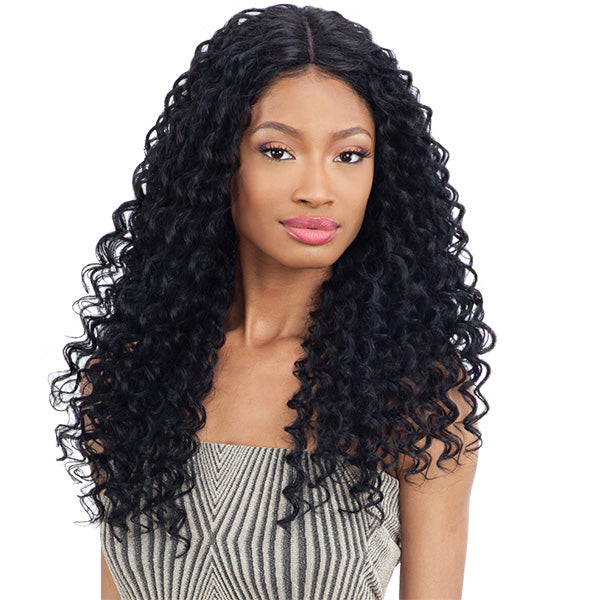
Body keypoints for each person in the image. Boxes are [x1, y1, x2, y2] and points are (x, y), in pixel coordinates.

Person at [50, 4, 496, 599]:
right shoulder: (132, 376)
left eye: (349, 155)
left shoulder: (416, 398)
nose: (316, 190)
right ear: (216, 161)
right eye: (278, 151)